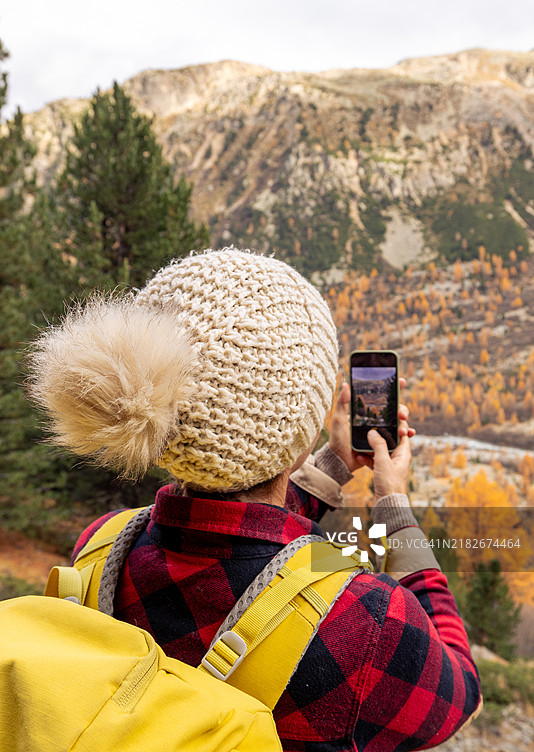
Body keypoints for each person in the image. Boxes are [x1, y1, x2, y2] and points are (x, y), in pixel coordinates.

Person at [28, 247, 482, 751]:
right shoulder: (369, 621)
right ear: (300, 429)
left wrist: (330, 468)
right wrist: (395, 512)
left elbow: (249, 545)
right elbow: (461, 691)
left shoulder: (101, 548)